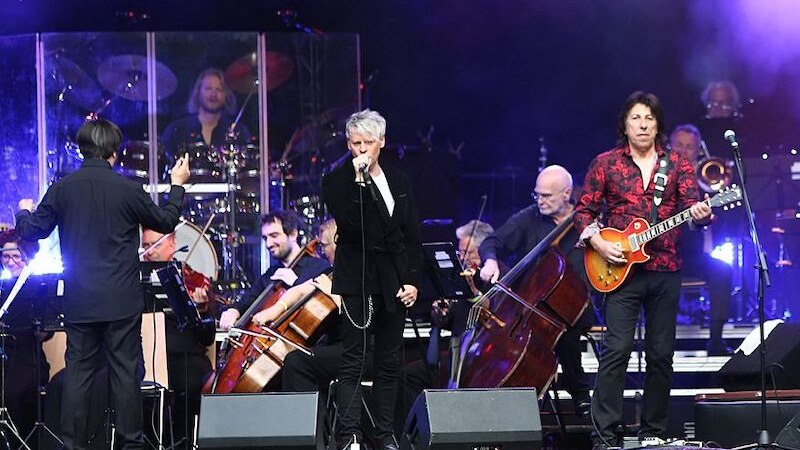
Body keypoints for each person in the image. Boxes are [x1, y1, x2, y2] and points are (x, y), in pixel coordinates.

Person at [14, 118, 190, 450]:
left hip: (80, 301)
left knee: (78, 376)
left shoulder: (62, 189)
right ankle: (131, 445)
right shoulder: (128, 189)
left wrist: (23, 211)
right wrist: (177, 184)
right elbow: (166, 221)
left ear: (82, 149)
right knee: (126, 374)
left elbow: (31, 231)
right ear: (114, 151)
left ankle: (73, 445)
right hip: (121, 301)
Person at [574, 92, 712, 448]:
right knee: (616, 349)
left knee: (661, 354)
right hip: (619, 269)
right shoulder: (606, 163)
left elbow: (691, 208)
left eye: (649, 118)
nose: (643, 124)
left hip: (665, 268)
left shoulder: (677, 164)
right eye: (636, 118)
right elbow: (583, 212)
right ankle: (605, 434)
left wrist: (702, 216)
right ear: (625, 124)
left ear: (658, 124)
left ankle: (653, 431)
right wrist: (599, 243)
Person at [322, 109, 422, 450]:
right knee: (355, 357)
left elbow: (411, 234)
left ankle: (384, 433)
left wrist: (411, 280)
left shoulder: (399, 180)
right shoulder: (337, 181)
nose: (361, 150)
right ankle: (349, 435)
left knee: (389, 360)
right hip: (357, 279)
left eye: (368, 143)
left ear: (382, 142)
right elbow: (351, 224)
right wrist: (358, 182)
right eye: (355, 143)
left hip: (392, 278)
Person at [478, 165, 593, 415]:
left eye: (546, 196)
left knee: (565, 333)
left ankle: (580, 394)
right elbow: (492, 242)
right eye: (537, 195)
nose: (540, 201)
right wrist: (490, 259)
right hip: (528, 308)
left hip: (576, 307)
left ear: (566, 193)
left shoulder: (587, 222)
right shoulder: (530, 218)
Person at [140, 228, 216, 448]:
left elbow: (207, 338)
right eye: (145, 246)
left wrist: (201, 310)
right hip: (144, 358)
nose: (148, 252)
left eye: (155, 245)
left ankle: (183, 443)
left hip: (184, 358)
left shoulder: (193, 280)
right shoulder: (133, 280)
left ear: (172, 245)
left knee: (190, 382)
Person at [670, 124, 734, 355]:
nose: (684, 151)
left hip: (694, 257)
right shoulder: (660, 177)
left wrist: (715, 197)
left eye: (690, 147)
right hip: (663, 255)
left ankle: (715, 342)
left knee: (723, 271)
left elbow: (725, 220)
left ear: (698, 151)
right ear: (670, 147)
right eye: (679, 145)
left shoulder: (703, 182)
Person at [218, 210, 331, 331]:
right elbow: (247, 301)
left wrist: (295, 282)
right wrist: (232, 311)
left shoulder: (319, 267)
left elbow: (324, 309)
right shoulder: (271, 274)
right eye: (265, 238)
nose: (268, 244)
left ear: (293, 234)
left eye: (274, 236)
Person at [0, 229, 49, 442]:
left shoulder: (38, 287)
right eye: (5, 256)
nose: (10, 262)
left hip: (28, 360)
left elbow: (45, 332)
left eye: (16, 256)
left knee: (9, 393)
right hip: (4, 356)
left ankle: (13, 442)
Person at [160, 68, 252, 179]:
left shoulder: (238, 131)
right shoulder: (177, 129)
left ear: (226, 95)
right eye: (208, 88)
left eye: (219, 89)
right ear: (198, 92)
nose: (213, 94)